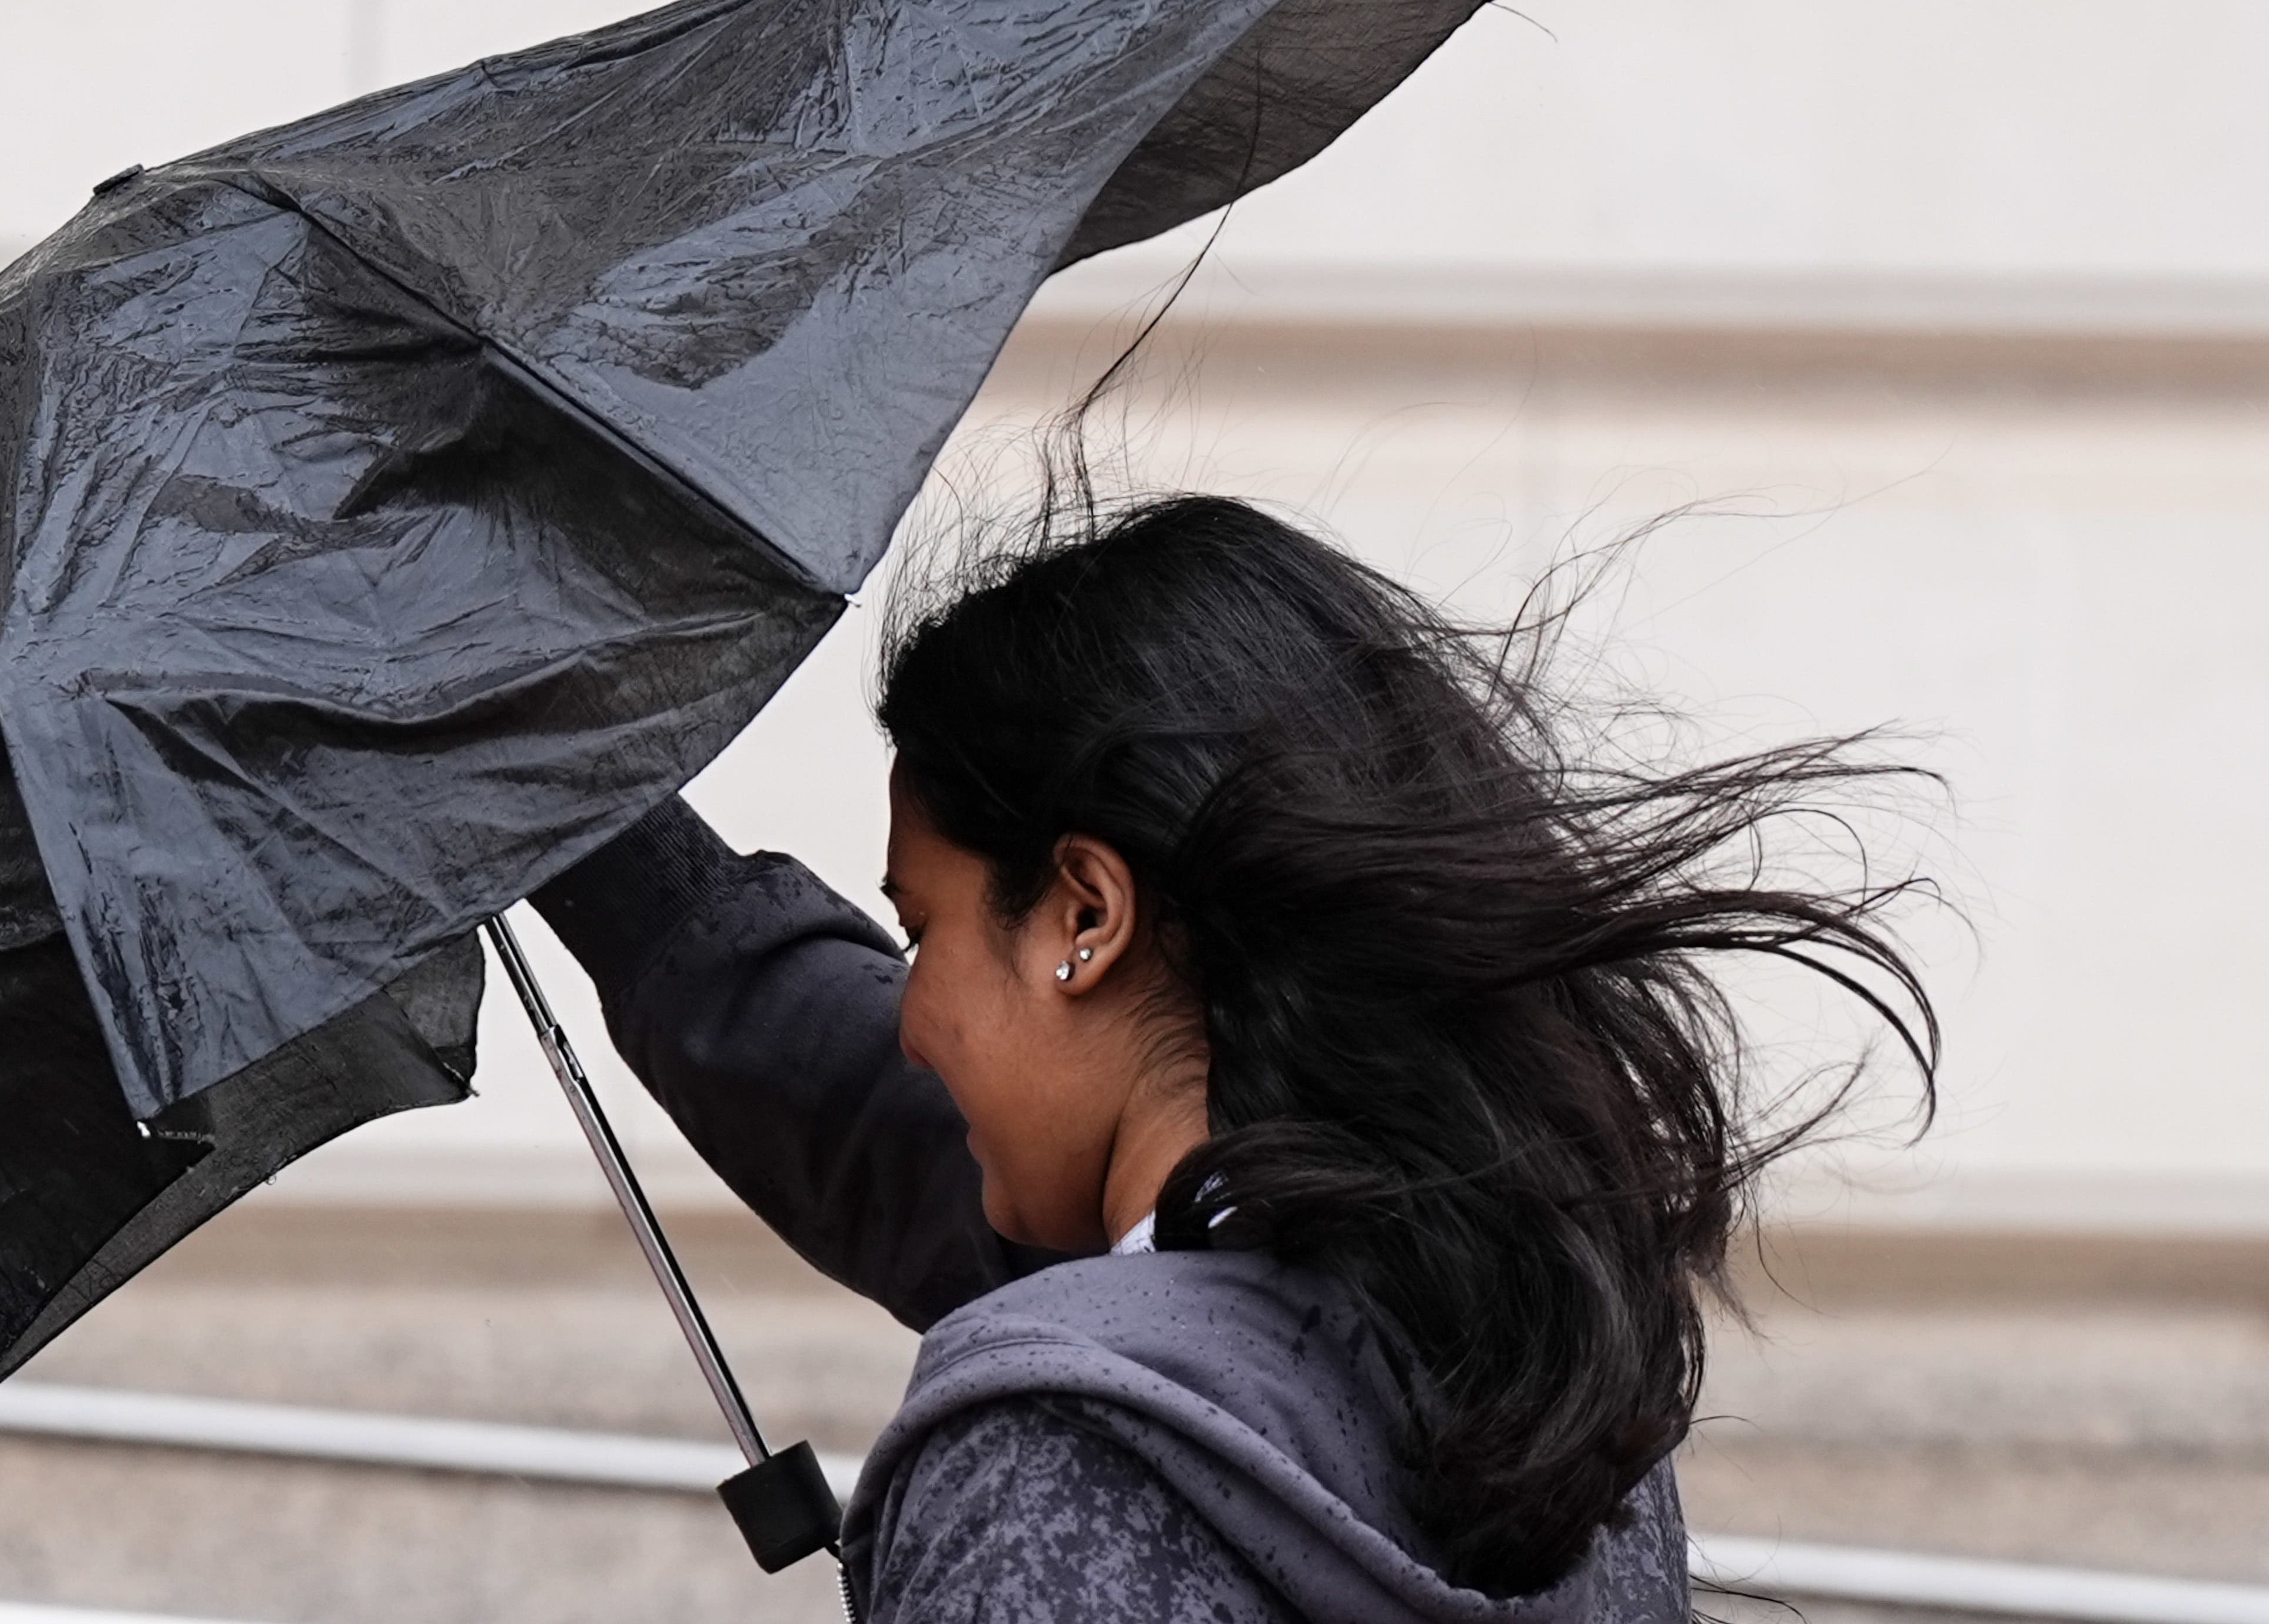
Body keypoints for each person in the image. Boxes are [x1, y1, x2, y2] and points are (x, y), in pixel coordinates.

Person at [535, 488, 1936, 1622]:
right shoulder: (1558, 1380)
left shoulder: (1057, 1459)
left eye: (924, 929)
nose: (912, 1012)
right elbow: (873, 1117)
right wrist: (534, 780)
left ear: (1085, 912)